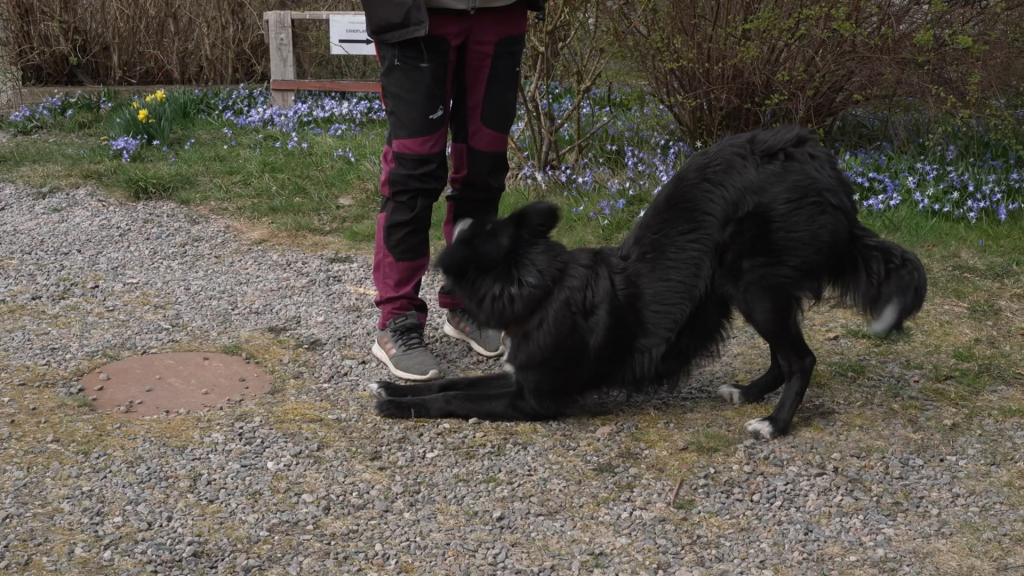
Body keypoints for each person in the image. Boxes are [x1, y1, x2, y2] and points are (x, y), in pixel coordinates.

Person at [361, 0, 545, 381]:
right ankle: (398, 317)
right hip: (417, 17)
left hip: (500, 11)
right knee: (412, 173)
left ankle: (468, 301)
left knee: (484, 166)